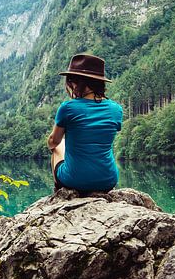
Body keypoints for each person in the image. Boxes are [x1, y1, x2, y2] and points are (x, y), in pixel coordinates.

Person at [46, 54, 123, 192]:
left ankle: (59, 192)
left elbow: (53, 142)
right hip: (108, 180)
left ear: (80, 82)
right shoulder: (116, 109)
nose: (71, 85)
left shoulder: (68, 108)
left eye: (72, 81)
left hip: (74, 180)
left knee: (58, 147)